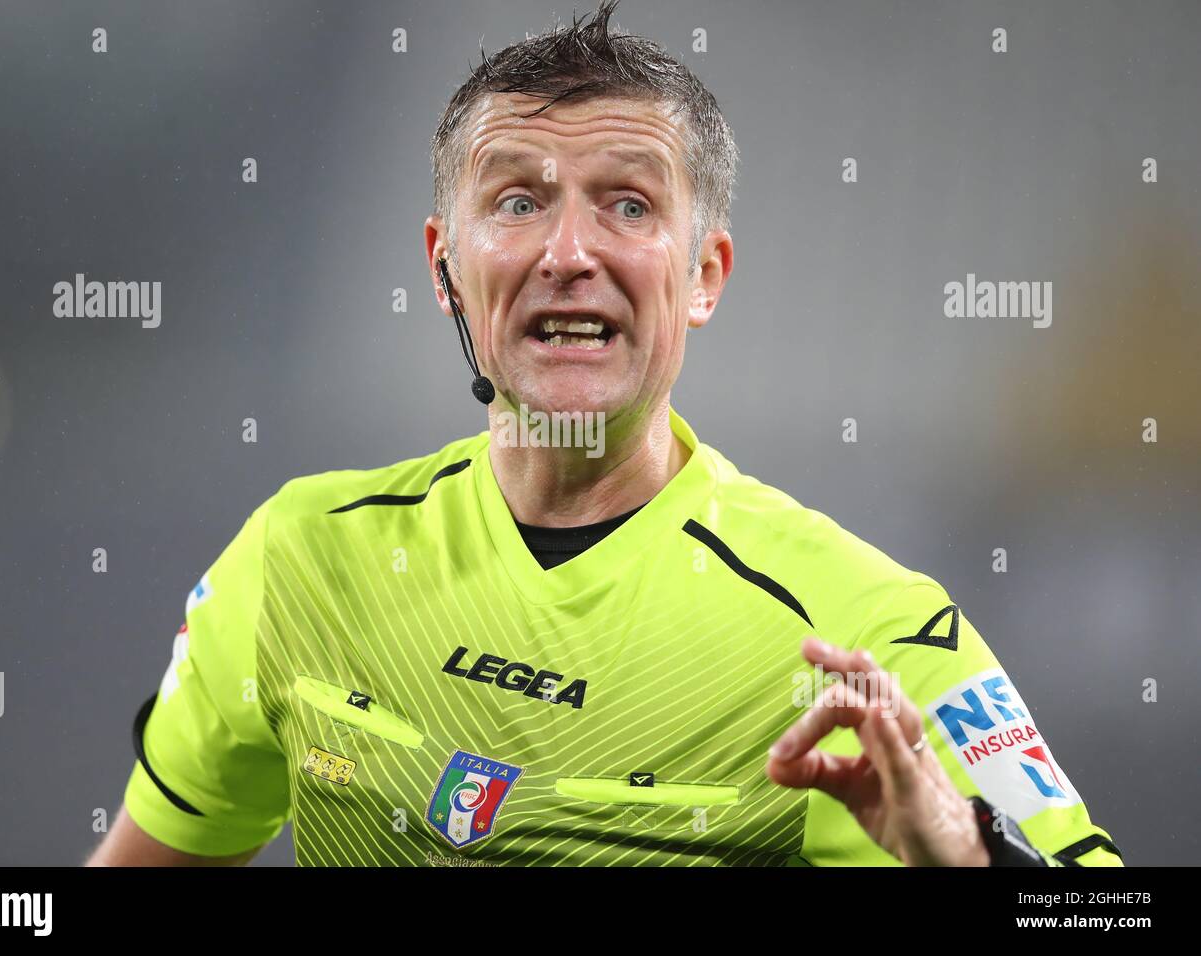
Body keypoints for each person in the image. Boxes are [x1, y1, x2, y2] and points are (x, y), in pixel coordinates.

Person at [88, 0, 1120, 867]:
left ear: (703, 274)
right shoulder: (300, 559)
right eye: (519, 199)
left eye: (628, 205)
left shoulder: (861, 638)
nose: (569, 250)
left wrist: (978, 861)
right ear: (444, 266)